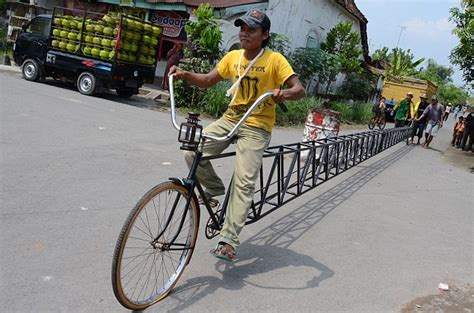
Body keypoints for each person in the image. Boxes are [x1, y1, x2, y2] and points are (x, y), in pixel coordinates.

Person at [170, 9, 305, 261]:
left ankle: (228, 240)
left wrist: (282, 93)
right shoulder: (233, 57)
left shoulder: (275, 60)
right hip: (230, 119)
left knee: (244, 181)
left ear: (265, 35)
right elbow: (209, 79)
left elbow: (298, 89)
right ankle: (213, 187)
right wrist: (186, 75)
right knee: (191, 148)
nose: (244, 34)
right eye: (242, 28)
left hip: (256, 126)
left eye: (251, 30)